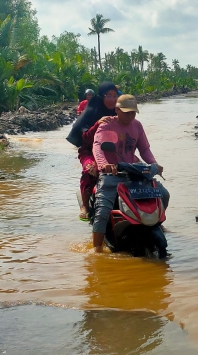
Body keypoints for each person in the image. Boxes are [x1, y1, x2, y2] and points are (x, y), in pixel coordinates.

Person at [91, 94, 169, 252]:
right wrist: (104, 164)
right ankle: (96, 250)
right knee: (102, 211)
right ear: (117, 110)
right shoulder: (107, 125)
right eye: (126, 112)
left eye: (133, 112)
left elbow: (145, 149)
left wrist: (154, 164)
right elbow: (98, 147)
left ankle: (156, 223)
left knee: (164, 195)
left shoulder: (137, 126)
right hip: (112, 173)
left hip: (134, 171)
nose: (130, 116)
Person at [66, 82, 120, 220]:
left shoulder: (119, 112)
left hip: (113, 150)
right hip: (89, 149)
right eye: (109, 96)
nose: (112, 99)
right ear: (102, 97)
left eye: (115, 96)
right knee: (91, 169)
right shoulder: (91, 112)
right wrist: (97, 124)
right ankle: (85, 205)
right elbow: (85, 137)